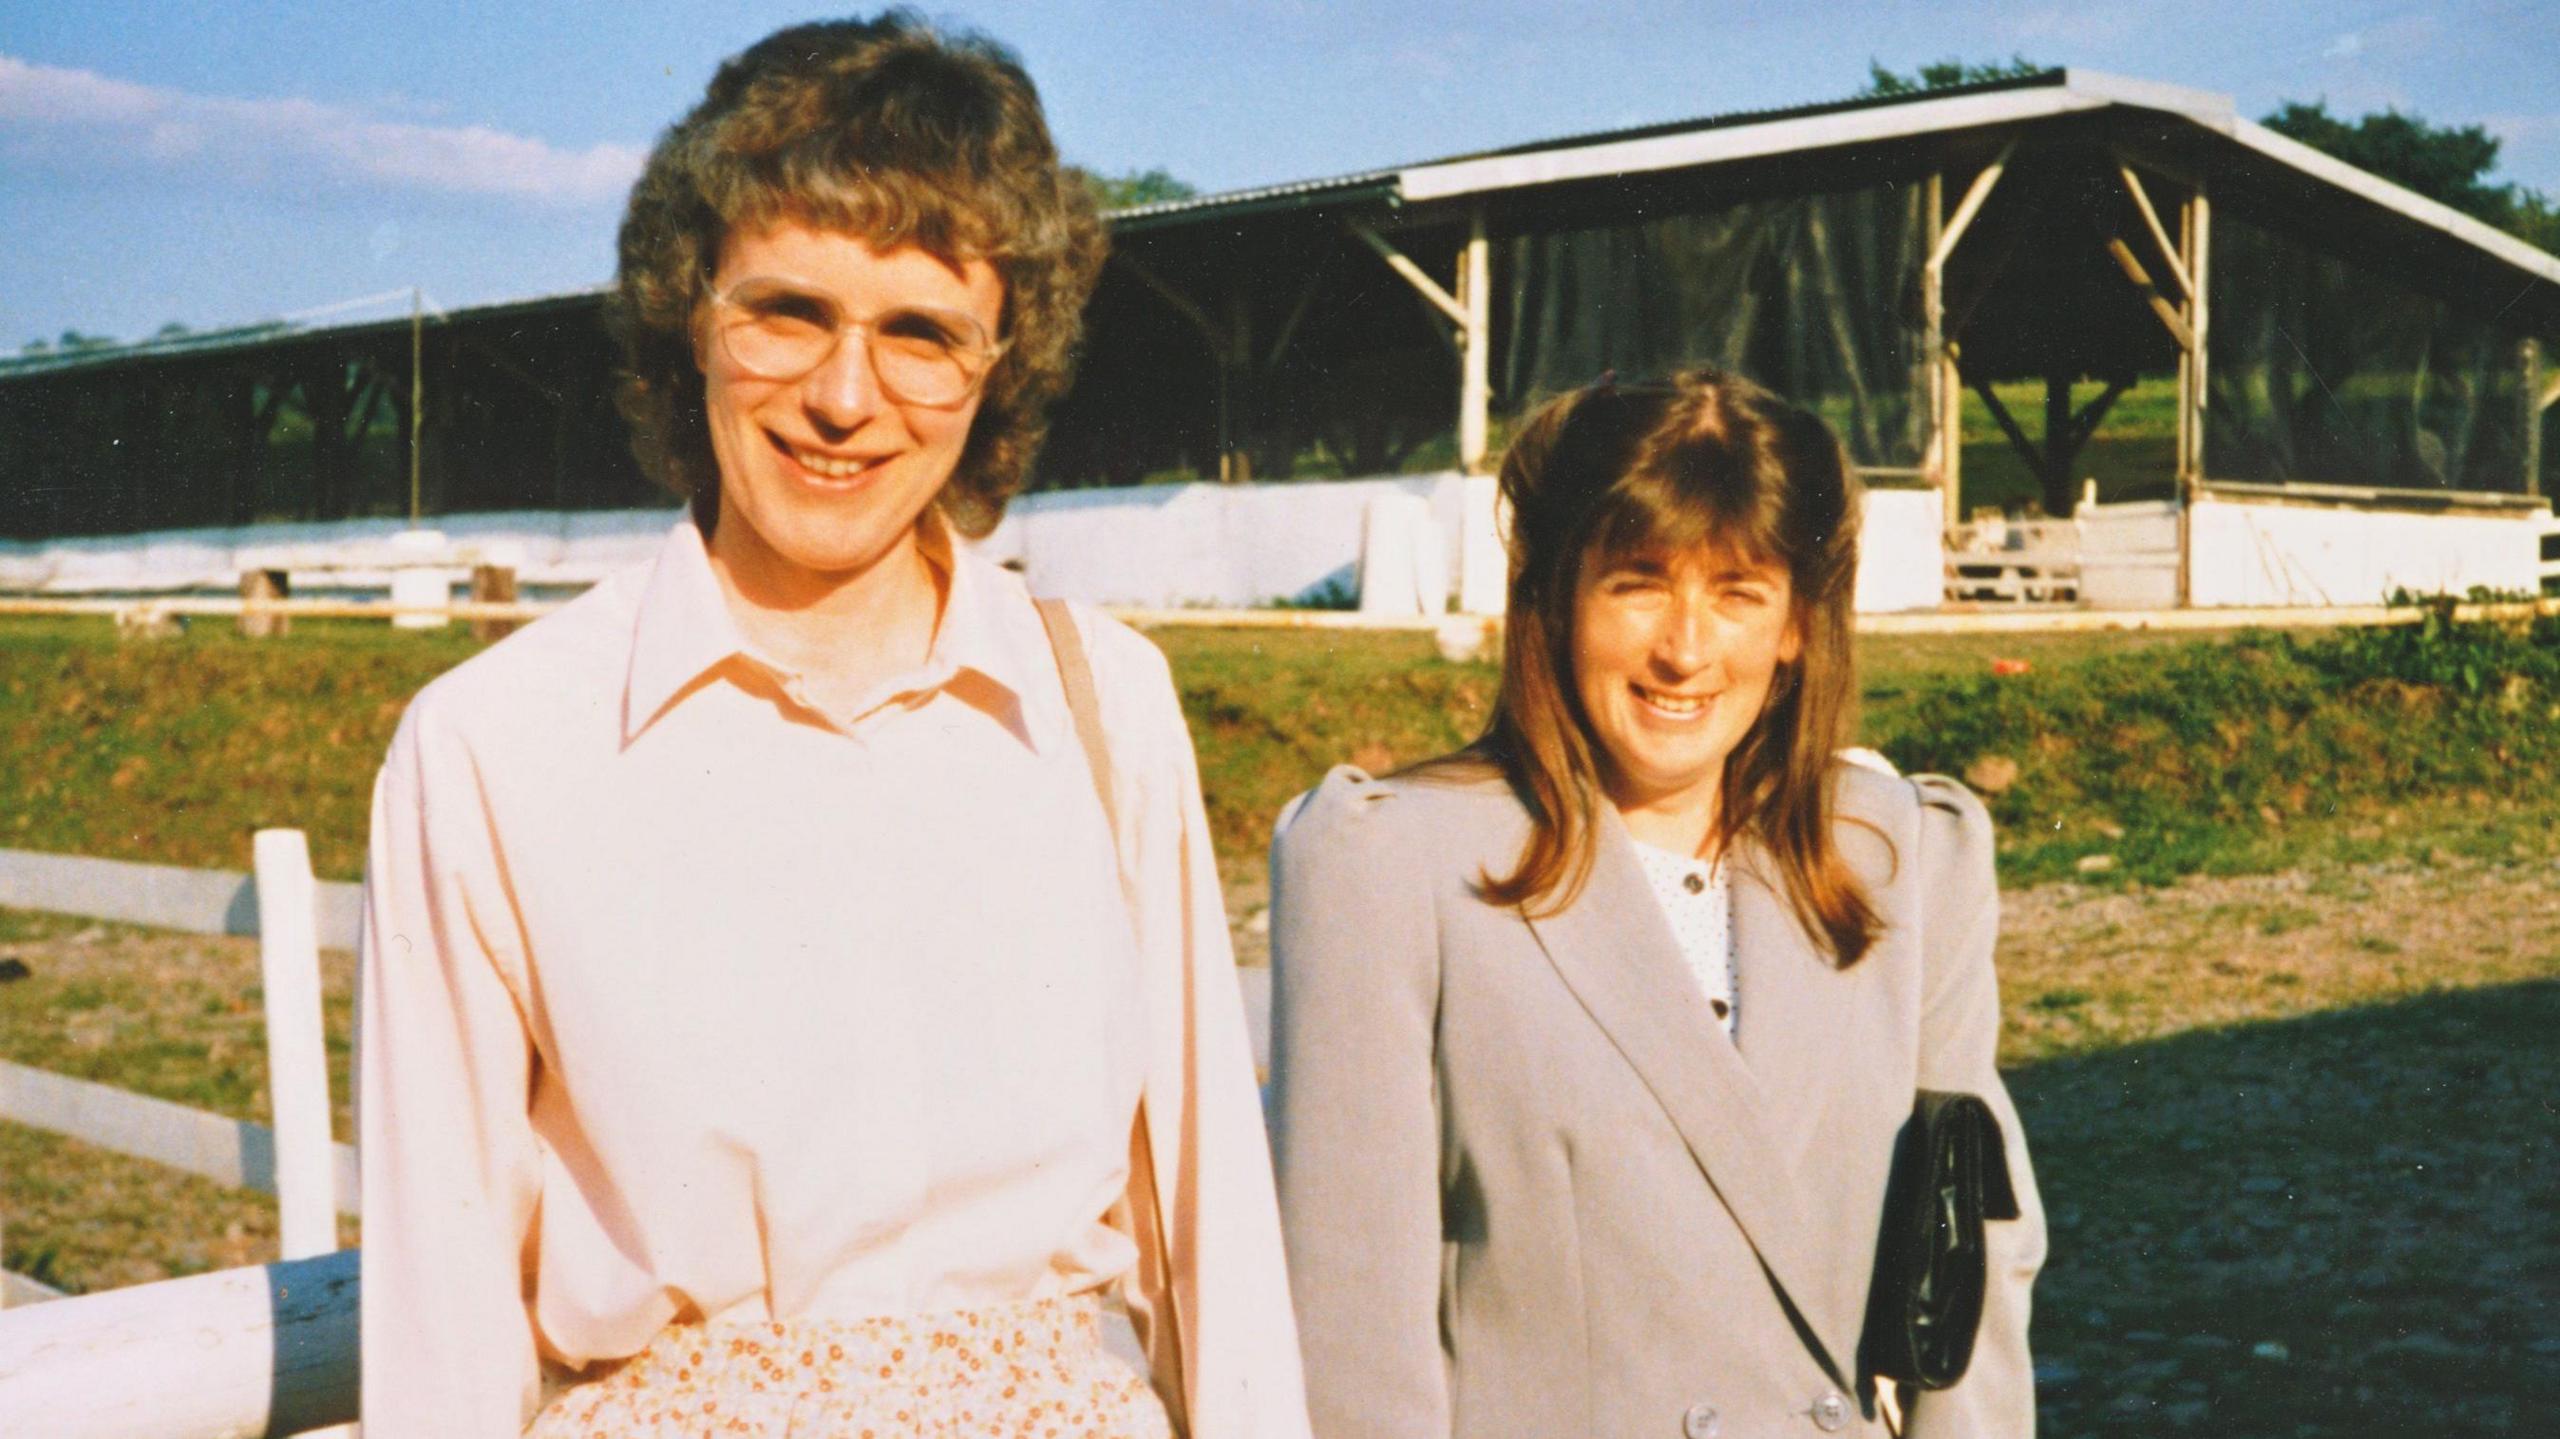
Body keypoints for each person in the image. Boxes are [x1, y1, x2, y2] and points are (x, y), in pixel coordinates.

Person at [357, 16, 1306, 1437]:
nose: (845, 398)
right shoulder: (489, 747)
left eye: (921, 332)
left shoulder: (1105, 700)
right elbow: (440, 1319)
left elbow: (1211, 1236)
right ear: (693, 313)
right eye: (788, 311)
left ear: (999, 369)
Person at [1266, 368, 2044, 1438]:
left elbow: (1971, 1267)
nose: (1684, 646)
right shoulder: (1392, 861)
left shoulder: (1898, 852)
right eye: (1637, 582)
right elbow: (1348, 1327)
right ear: (1553, 595)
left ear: (1796, 626)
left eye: (1737, 592)